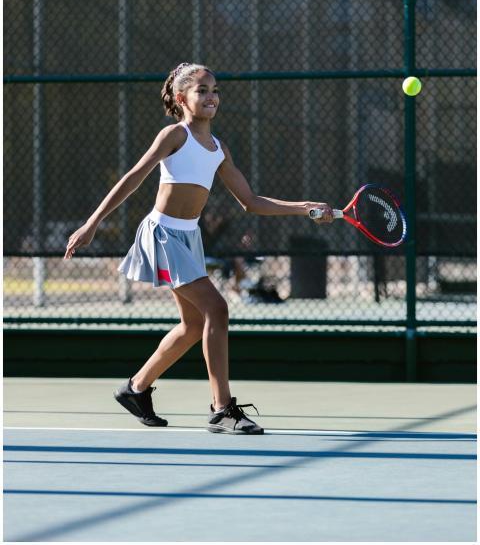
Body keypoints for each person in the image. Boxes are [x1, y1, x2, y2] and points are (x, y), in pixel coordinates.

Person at [64, 62, 333, 435]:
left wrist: (303, 209)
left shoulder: (219, 149)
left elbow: (251, 201)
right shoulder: (174, 135)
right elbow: (133, 178)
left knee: (193, 326)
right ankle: (222, 408)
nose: (211, 97)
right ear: (181, 98)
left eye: (215, 90)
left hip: (189, 237)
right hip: (163, 234)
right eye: (202, 90)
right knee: (217, 309)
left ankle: (135, 388)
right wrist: (91, 223)